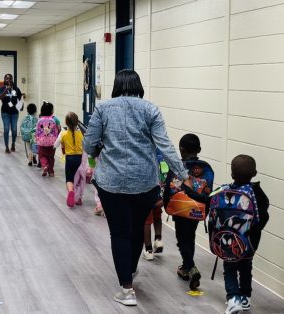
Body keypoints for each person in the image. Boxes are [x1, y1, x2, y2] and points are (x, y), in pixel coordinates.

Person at [83, 69, 192, 307]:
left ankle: (126, 288)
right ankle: (129, 270)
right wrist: (184, 175)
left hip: (111, 184)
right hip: (145, 184)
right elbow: (165, 145)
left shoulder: (103, 108)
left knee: (120, 233)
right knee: (134, 230)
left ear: (116, 86)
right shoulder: (150, 109)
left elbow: (89, 143)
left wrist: (95, 151)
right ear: (138, 86)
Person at [163, 134, 214, 291]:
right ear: (199, 149)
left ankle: (191, 268)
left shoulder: (179, 166)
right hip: (197, 211)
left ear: (181, 149)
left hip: (180, 210)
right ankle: (186, 266)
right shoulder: (205, 168)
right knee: (190, 237)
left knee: (181, 239)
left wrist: (166, 205)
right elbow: (208, 191)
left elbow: (171, 188)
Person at [223, 155, 269, 314]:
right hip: (250, 241)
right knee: (246, 268)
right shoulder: (258, 194)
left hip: (229, 241)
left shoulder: (225, 191)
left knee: (229, 268)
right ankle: (245, 298)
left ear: (232, 174)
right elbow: (264, 217)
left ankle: (233, 299)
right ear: (255, 173)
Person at [141, 150, 168, 261]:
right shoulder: (161, 152)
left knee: (146, 220)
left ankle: (148, 250)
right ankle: (158, 239)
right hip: (160, 192)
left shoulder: (144, 152)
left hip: (147, 190)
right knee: (157, 215)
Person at [57, 112, 84, 207]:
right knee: (80, 179)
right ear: (77, 122)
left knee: (69, 178)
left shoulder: (63, 133)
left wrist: (62, 143)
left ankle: (71, 191)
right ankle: (79, 198)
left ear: (65, 122)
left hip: (69, 159)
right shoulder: (81, 133)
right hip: (80, 159)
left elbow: (54, 145)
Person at [0, 73, 22, 153]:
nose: (8, 80)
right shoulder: (2, 88)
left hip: (14, 112)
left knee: (14, 129)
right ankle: (7, 147)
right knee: (6, 129)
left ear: (12, 80)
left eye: (10, 78)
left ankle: (13, 143)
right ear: (4, 80)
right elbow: (0, 97)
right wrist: (6, 89)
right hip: (5, 112)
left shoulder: (16, 89)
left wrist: (20, 106)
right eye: (7, 79)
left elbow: (20, 98)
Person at [35, 101, 61, 177]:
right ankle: (51, 172)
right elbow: (58, 129)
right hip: (52, 142)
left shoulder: (39, 120)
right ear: (51, 111)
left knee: (42, 155)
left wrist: (36, 139)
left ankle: (45, 165)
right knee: (51, 157)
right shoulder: (54, 120)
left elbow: (37, 131)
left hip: (42, 142)